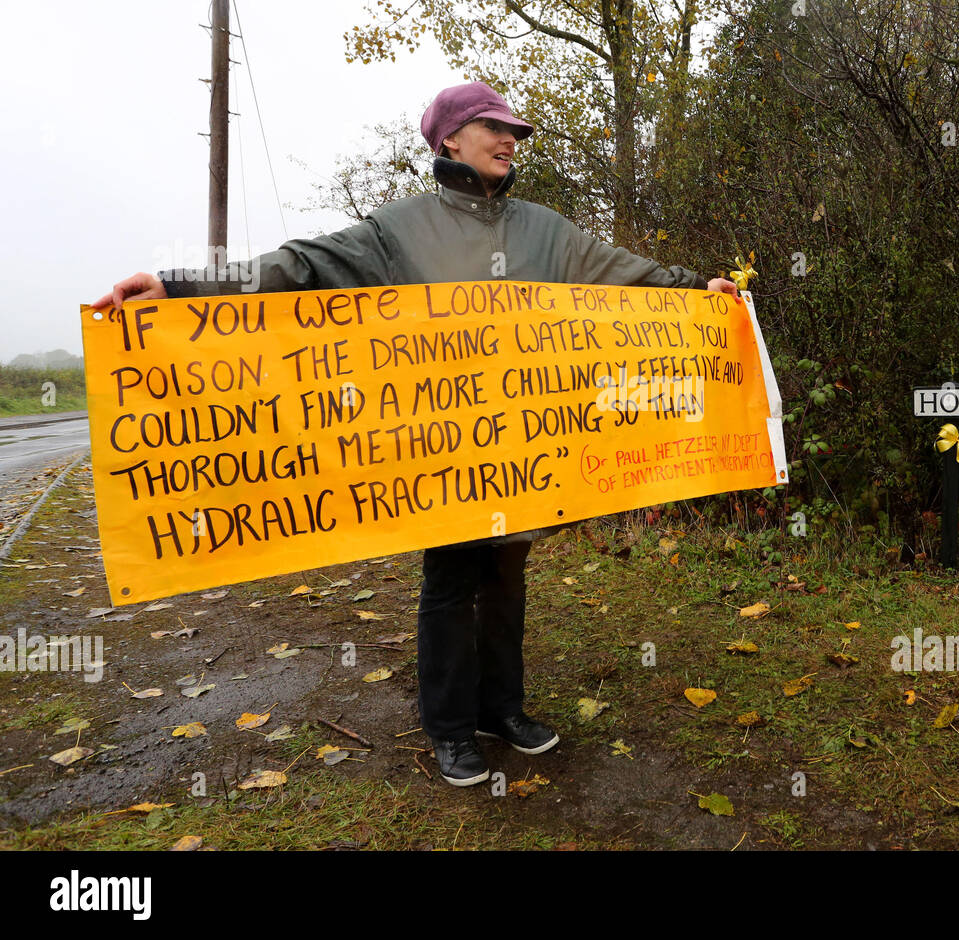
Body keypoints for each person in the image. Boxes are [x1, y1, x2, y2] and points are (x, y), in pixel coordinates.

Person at [93, 81, 739, 787]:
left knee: (508, 575)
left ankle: (503, 710)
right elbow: (298, 267)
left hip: (524, 442)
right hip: (444, 447)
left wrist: (692, 289)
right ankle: (452, 728)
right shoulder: (398, 230)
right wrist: (181, 287)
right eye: (492, 127)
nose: (508, 141)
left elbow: (622, 275)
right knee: (452, 578)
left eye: (515, 132)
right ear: (448, 141)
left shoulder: (545, 229)